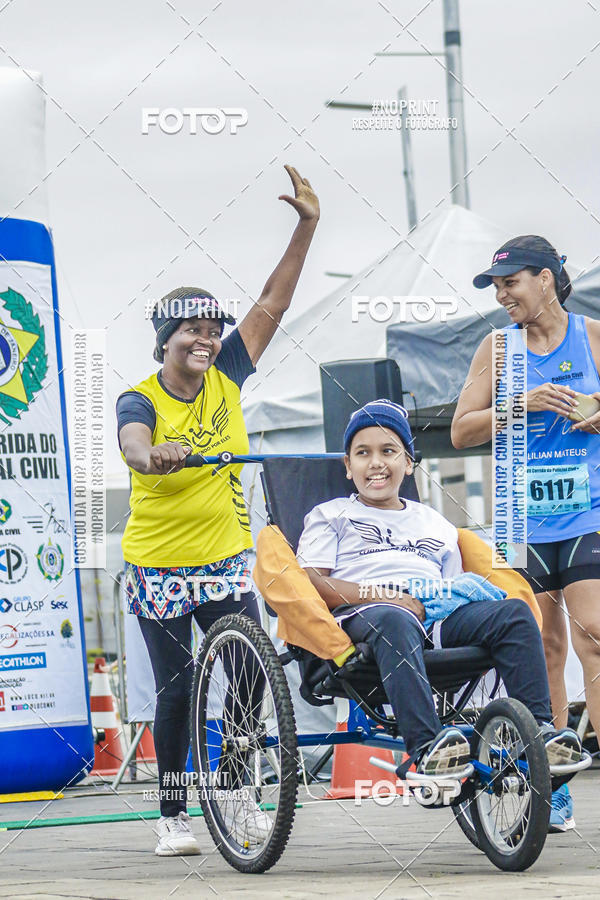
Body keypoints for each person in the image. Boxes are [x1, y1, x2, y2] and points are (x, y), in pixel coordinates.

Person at [117, 165, 319, 856]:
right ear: (164, 340)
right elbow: (133, 447)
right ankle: (172, 815)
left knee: (248, 672)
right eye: (191, 331)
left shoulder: (228, 373)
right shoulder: (141, 397)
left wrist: (306, 225)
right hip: (160, 564)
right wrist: (155, 456)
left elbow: (273, 303)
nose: (204, 340)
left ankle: (234, 793)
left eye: (211, 330)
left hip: (225, 556)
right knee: (177, 689)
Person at [296, 399, 583, 778]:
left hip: (431, 615)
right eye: (363, 453)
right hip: (363, 617)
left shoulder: (434, 521)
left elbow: (449, 588)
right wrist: (385, 595)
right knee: (395, 618)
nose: (376, 463)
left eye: (388, 451)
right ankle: (427, 746)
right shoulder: (330, 514)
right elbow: (313, 582)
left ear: (408, 463)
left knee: (513, 614)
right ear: (348, 466)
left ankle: (539, 732)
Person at [451, 234, 600, 831]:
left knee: (594, 638)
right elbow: (461, 430)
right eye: (496, 287)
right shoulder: (498, 348)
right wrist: (525, 402)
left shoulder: (591, 335)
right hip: (520, 519)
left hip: (587, 512)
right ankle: (553, 782)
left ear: (546, 278)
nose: (502, 296)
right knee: (544, 648)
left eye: (510, 283)